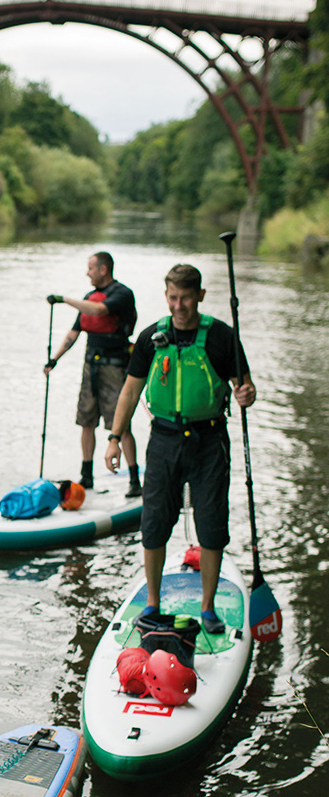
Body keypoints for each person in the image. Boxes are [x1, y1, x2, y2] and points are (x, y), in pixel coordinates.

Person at [105, 263, 256, 635]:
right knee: (154, 524)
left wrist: (246, 394)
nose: (179, 305)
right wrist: (114, 436)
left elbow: (245, 388)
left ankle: (208, 608)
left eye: (186, 297)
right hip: (164, 439)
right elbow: (130, 390)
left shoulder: (222, 337)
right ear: (166, 295)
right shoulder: (151, 337)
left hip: (210, 441)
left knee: (211, 526)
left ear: (200, 296)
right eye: (173, 297)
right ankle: (153, 604)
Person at [44, 251, 141, 495]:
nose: (87, 273)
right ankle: (86, 476)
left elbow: (98, 311)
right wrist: (54, 359)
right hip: (91, 367)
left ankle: (134, 481)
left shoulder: (122, 294)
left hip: (116, 367)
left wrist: (65, 299)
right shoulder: (89, 297)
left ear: (103, 270)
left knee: (121, 425)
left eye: (90, 268)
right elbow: (75, 332)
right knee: (86, 421)